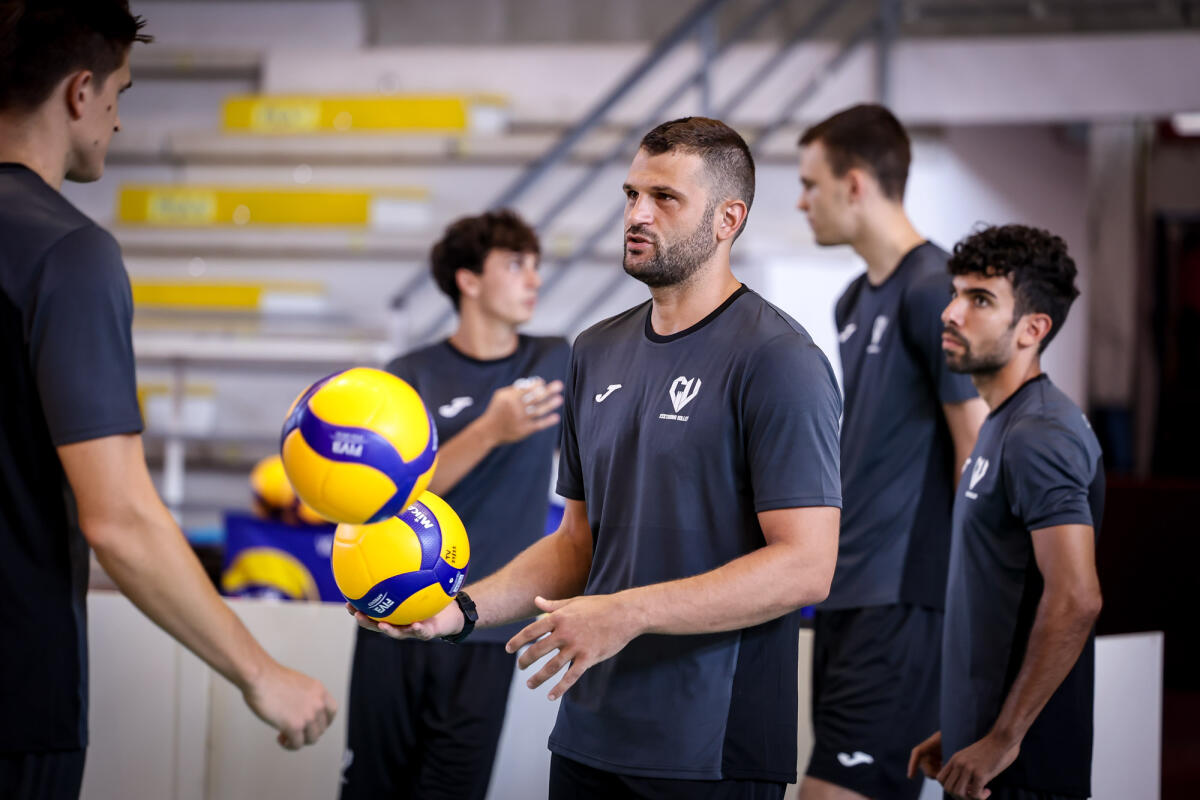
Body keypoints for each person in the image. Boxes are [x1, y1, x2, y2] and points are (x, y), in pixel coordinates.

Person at [353, 116, 843, 800]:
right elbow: (576, 542)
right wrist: (458, 612)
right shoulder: (595, 350)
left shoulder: (780, 361)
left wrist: (627, 612)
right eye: (631, 194)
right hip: (589, 734)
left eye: (664, 198)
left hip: (711, 749)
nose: (637, 214)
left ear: (729, 219)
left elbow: (806, 566)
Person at [0, 3, 336, 797]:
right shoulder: (66, 253)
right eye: (120, 92)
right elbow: (117, 515)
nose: (117, 121)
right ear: (80, 93)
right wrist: (261, 673)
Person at [340, 209, 569, 800]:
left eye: (537, 266)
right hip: (392, 612)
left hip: (483, 624)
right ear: (468, 280)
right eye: (516, 264)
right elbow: (383, 494)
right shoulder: (411, 374)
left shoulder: (553, 359)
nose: (533, 279)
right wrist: (489, 429)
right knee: (374, 787)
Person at [795, 104, 988, 800]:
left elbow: (976, 451)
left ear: (854, 185)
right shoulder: (853, 301)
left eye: (809, 183)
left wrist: (980, 610)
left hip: (904, 600)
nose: (800, 200)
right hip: (847, 592)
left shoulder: (935, 289)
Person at [908, 224, 1103, 800]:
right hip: (986, 754)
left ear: (1033, 329)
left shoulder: (1041, 434)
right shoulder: (1004, 422)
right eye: (956, 292)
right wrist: (970, 726)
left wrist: (1003, 738)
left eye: (980, 299)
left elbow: (1076, 598)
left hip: (1023, 774)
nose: (951, 312)